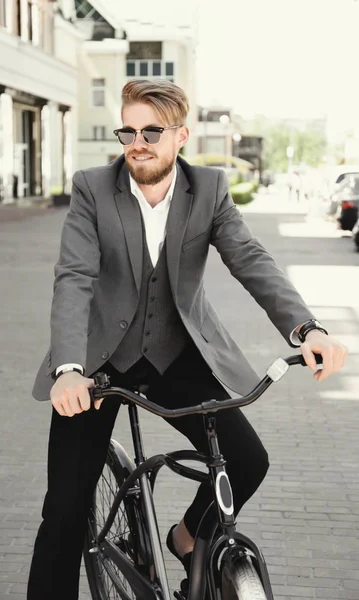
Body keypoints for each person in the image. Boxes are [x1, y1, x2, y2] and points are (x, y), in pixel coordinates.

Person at [27, 80, 347, 600]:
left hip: (177, 356)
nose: (138, 141)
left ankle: (186, 536)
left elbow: (250, 260)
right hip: (96, 366)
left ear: (180, 136)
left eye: (151, 130)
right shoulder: (92, 187)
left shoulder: (210, 189)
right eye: (127, 130)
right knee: (62, 512)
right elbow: (74, 278)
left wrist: (308, 327)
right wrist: (67, 369)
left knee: (248, 461)